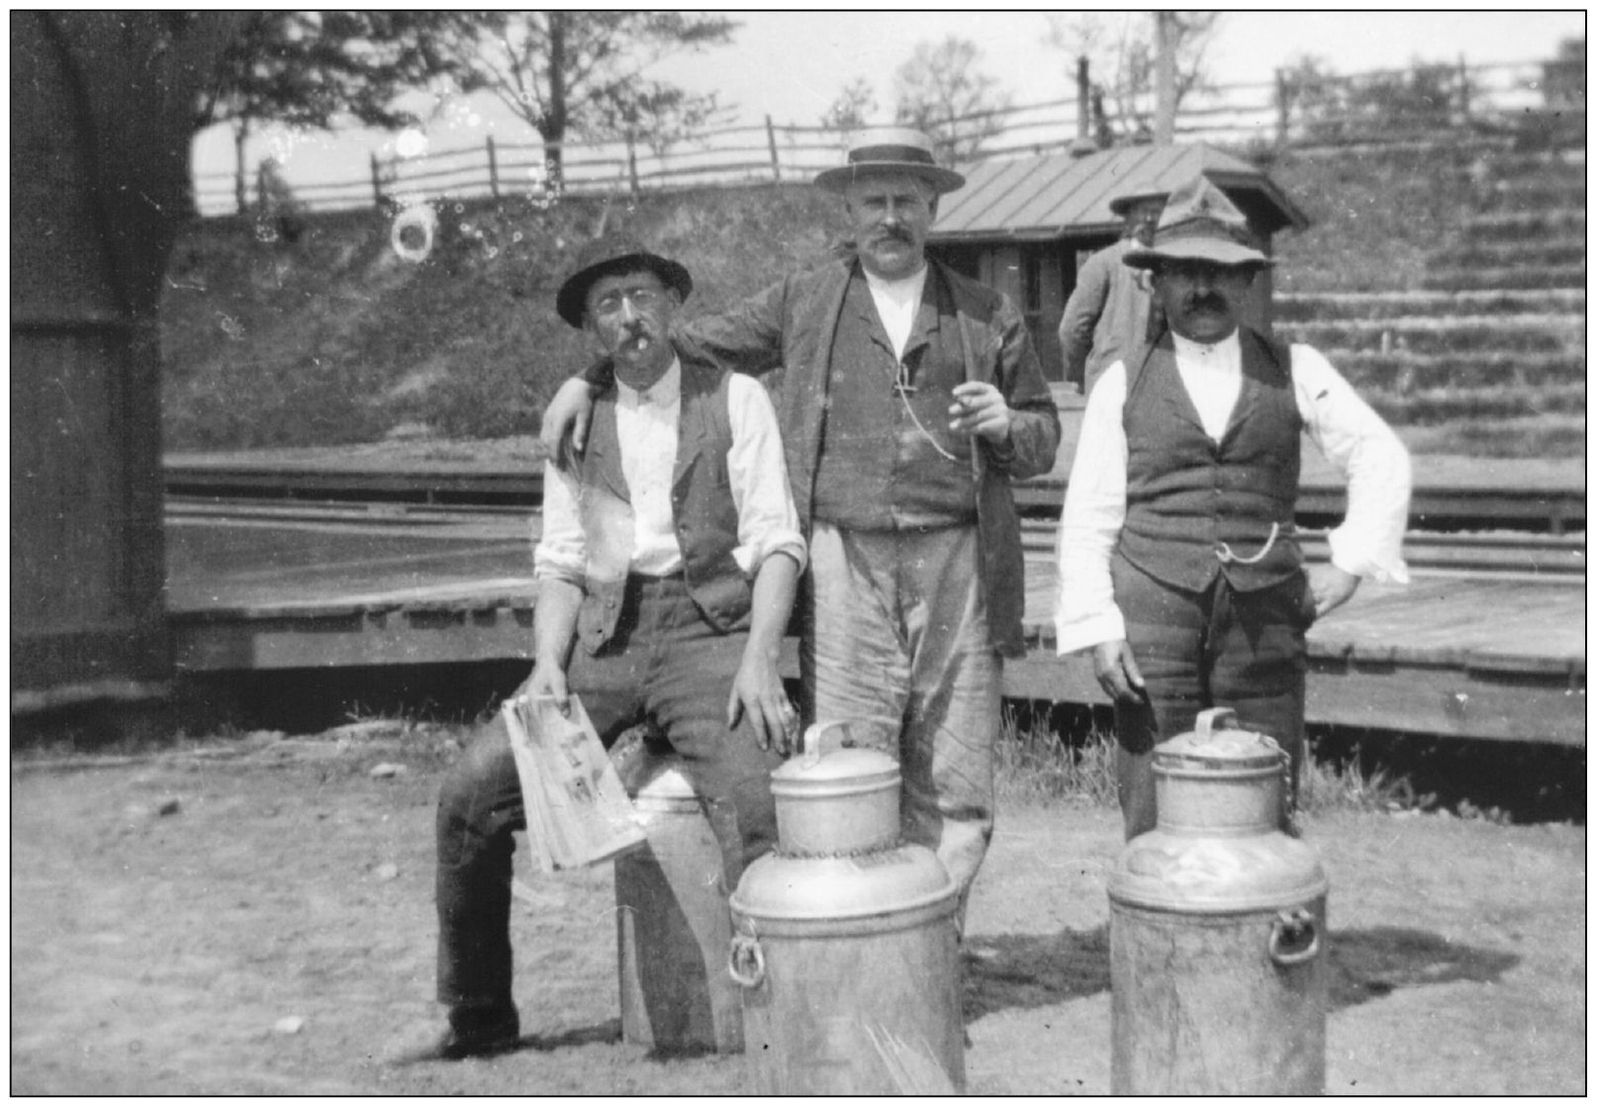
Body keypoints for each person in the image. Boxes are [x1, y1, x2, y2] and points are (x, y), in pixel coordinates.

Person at [542, 128, 1061, 921]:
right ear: (849, 212)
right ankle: (862, 936)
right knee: (850, 755)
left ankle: (933, 941)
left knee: (954, 773)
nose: (890, 217)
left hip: (958, 556)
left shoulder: (986, 314)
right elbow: (672, 344)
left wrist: (1007, 425)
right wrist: (585, 379)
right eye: (873, 202)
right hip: (840, 556)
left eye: (906, 202)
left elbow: (1041, 439)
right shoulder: (808, 298)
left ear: (932, 208)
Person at [412, 237, 806, 1060]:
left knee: (759, 800)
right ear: (593, 332)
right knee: (470, 797)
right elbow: (560, 558)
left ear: (673, 303)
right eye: (608, 305)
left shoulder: (735, 398)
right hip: (606, 637)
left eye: (642, 295)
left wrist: (760, 656)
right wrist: (549, 665)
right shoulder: (578, 420)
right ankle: (476, 1017)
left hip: (712, 635)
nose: (630, 317)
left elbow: (777, 543)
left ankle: (779, 1028)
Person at [1053, 175, 1411, 840]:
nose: (1203, 290)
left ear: (1246, 282)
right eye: (1184, 273)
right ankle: (1157, 933)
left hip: (1265, 618)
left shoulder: (1294, 367)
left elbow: (1379, 457)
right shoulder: (1121, 381)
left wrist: (1352, 560)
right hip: (1153, 614)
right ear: (1156, 282)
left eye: (1220, 273)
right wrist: (1097, 627)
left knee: (1262, 787)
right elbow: (1089, 517)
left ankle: (1258, 936)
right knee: (1155, 795)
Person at [1056, 186, 1167, 396]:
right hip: (1114, 384)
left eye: (1157, 212)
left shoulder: (1174, 265)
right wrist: (1087, 373)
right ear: (1128, 218)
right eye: (1142, 211)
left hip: (1161, 387)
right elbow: (1071, 330)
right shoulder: (1104, 263)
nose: (1150, 218)